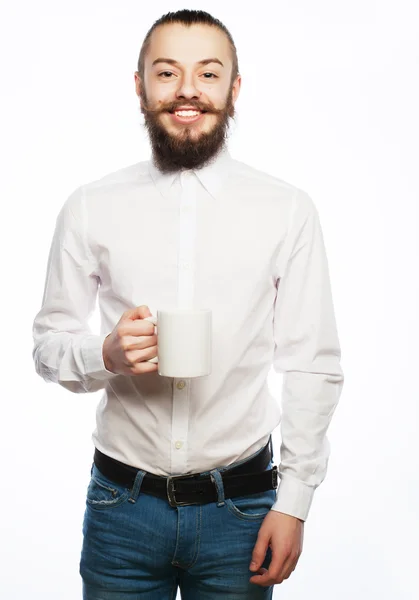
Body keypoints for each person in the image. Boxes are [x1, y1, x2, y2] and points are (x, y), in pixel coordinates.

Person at [32, 9, 344, 599]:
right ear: (140, 85)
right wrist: (106, 353)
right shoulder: (90, 206)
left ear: (233, 87)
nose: (187, 92)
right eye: (168, 72)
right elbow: (48, 347)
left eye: (207, 74)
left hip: (245, 511)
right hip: (120, 511)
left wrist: (295, 501)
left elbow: (312, 363)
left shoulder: (286, 210)